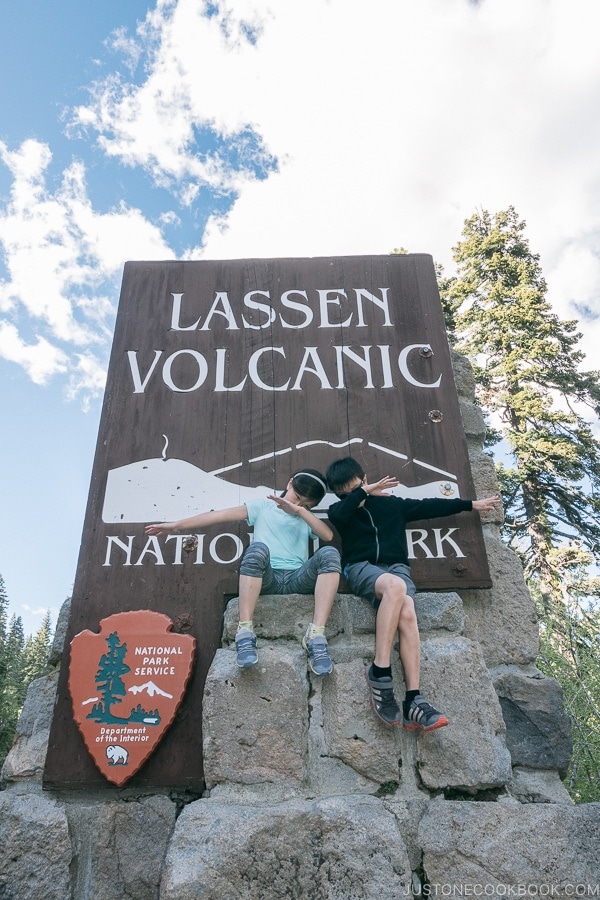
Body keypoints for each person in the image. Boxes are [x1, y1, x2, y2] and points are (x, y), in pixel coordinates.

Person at [325, 456, 501, 730]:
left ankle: (413, 699)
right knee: (397, 587)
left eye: (356, 484)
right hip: (360, 568)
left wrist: (471, 505)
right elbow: (340, 514)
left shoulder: (391, 504)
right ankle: (380, 670)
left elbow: (429, 506)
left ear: (365, 477)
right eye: (344, 490)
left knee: (407, 607)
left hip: (395, 566)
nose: (351, 493)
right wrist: (362, 492)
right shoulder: (340, 510)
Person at [145, 470, 341, 675]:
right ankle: (245, 631)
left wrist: (301, 511)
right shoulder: (263, 507)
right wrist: (176, 526)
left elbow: (327, 535)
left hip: (297, 579)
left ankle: (316, 636)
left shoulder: (305, 517)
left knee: (329, 553)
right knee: (257, 549)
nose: (298, 505)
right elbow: (218, 516)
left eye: (306, 505)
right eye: (297, 498)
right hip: (267, 579)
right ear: (289, 483)